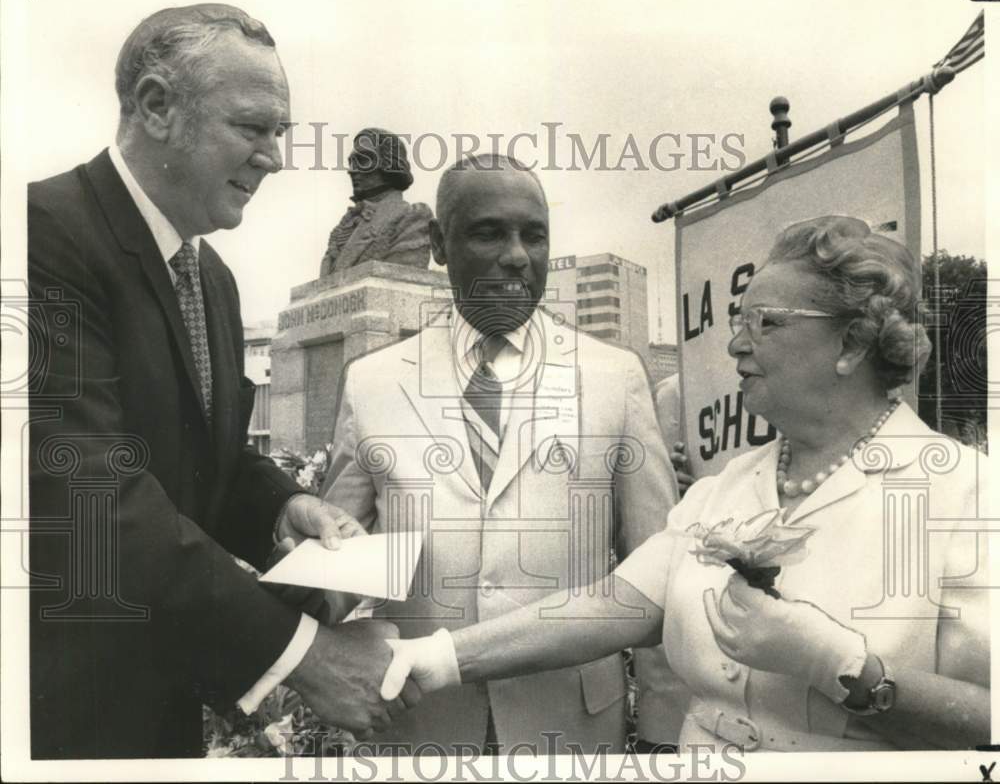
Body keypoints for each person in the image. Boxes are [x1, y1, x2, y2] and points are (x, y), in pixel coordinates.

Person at [381, 216, 990, 752]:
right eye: (738, 320)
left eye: (766, 323)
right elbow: (610, 606)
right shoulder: (726, 487)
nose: (735, 343)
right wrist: (437, 658)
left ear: (852, 343)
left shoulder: (965, 493)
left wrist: (846, 667)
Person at [27, 4, 413, 759]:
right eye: (252, 127)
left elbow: (210, 457)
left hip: (157, 712)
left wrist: (284, 507)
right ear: (157, 106)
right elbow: (93, 495)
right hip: (55, 717)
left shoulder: (212, 278)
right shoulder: (41, 234)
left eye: (281, 132)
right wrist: (307, 655)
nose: (274, 156)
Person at [318, 153, 680, 754]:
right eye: (490, 232)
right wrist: (310, 593)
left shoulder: (615, 377)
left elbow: (658, 575)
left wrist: (665, 736)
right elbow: (339, 555)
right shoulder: (373, 382)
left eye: (533, 235)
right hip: (418, 727)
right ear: (439, 241)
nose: (517, 255)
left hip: (572, 730)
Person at [318, 127, 433, 275]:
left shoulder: (412, 217)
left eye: (363, 160)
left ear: (389, 164)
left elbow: (397, 282)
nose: (351, 170)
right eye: (352, 162)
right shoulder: (346, 224)